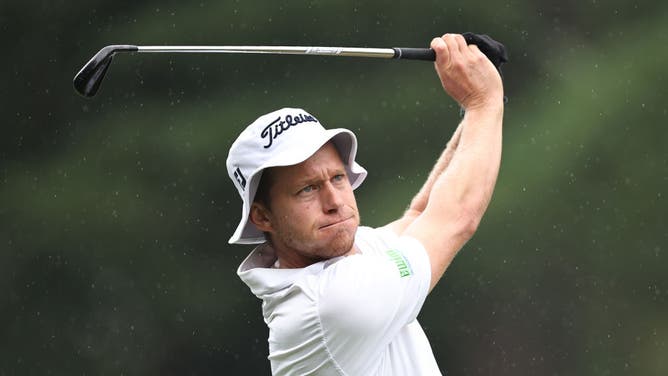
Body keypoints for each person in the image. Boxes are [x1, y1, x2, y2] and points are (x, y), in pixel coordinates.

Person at [226, 33, 504, 375]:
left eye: (338, 178)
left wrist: (475, 109)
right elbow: (456, 219)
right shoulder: (330, 303)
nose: (333, 201)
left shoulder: (343, 254)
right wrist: (483, 103)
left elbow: (421, 213)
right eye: (308, 190)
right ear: (263, 215)